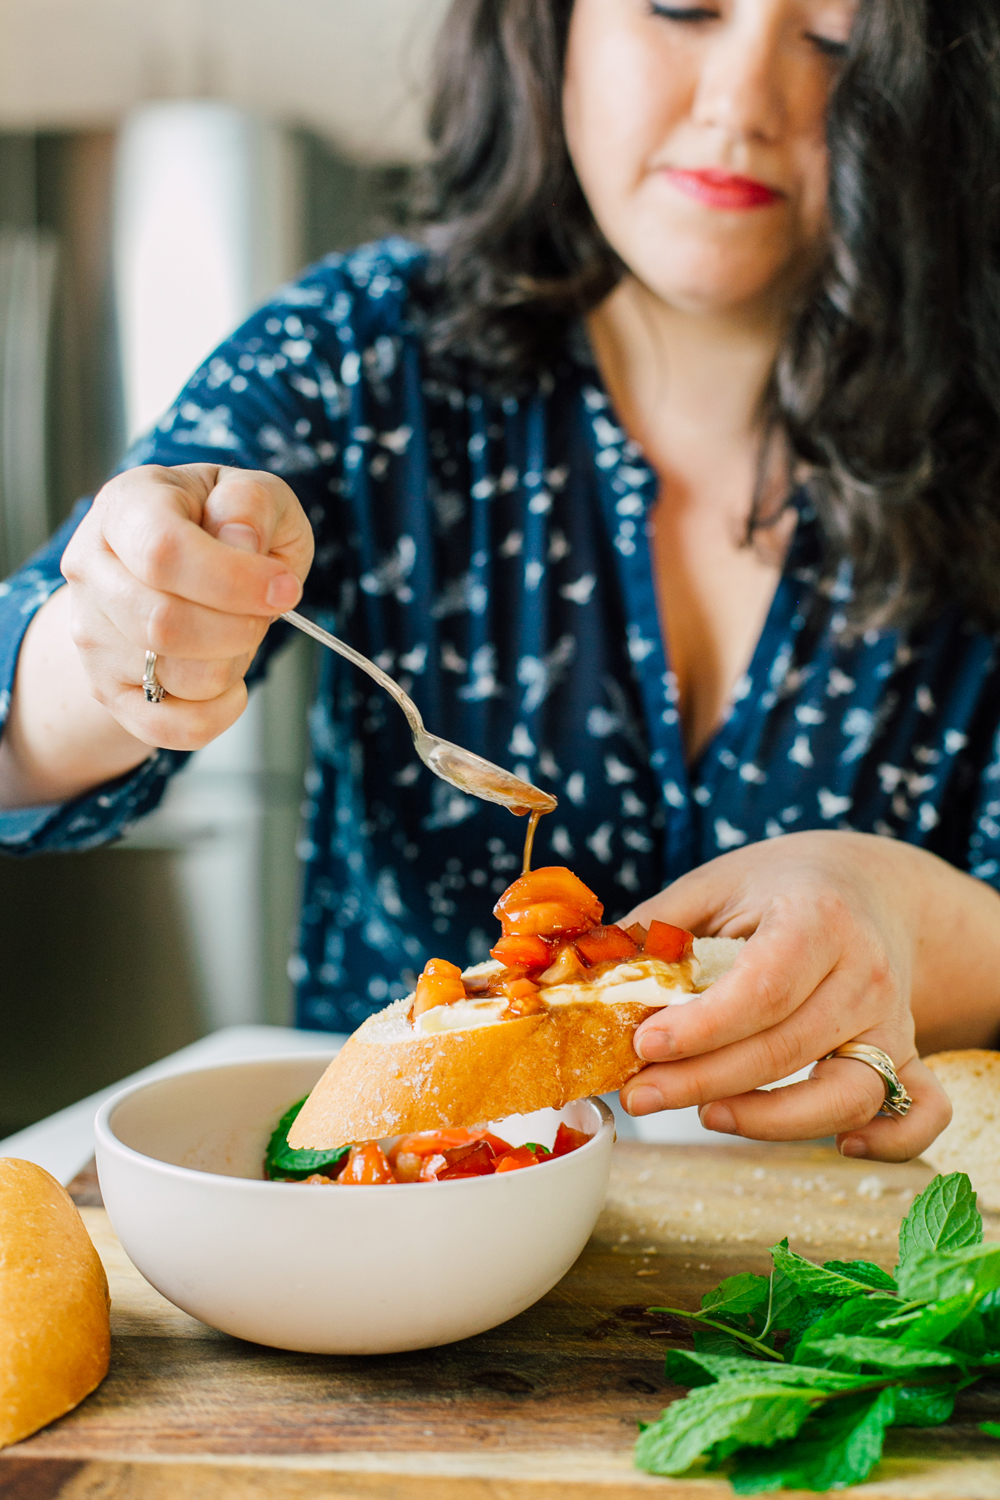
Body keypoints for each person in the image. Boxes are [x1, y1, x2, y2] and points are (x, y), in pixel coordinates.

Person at [1, 0, 998, 1165]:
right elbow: (19, 721)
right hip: (394, 1254)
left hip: (850, 1256)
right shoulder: (359, 351)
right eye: (682, 5)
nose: (739, 102)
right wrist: (112, 638)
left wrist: (909, 913)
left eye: (836, 35)